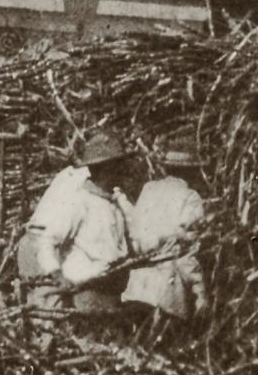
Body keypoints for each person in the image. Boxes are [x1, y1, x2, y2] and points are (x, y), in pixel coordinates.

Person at [20, 124, 140, 331]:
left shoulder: (114, 202)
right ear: (103, 169)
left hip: (111, 288)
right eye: (117, 165)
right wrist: (58, 275)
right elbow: (47, 241)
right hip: (86, 292)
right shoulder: (78, 202)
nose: (122, 170)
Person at [123, 138, 211, 336]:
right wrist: (200, 292)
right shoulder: (190, 198)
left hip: (137, 286)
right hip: (167, 292)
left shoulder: (149, 189)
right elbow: (186, 252)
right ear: (193, 170)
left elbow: (135, 235)